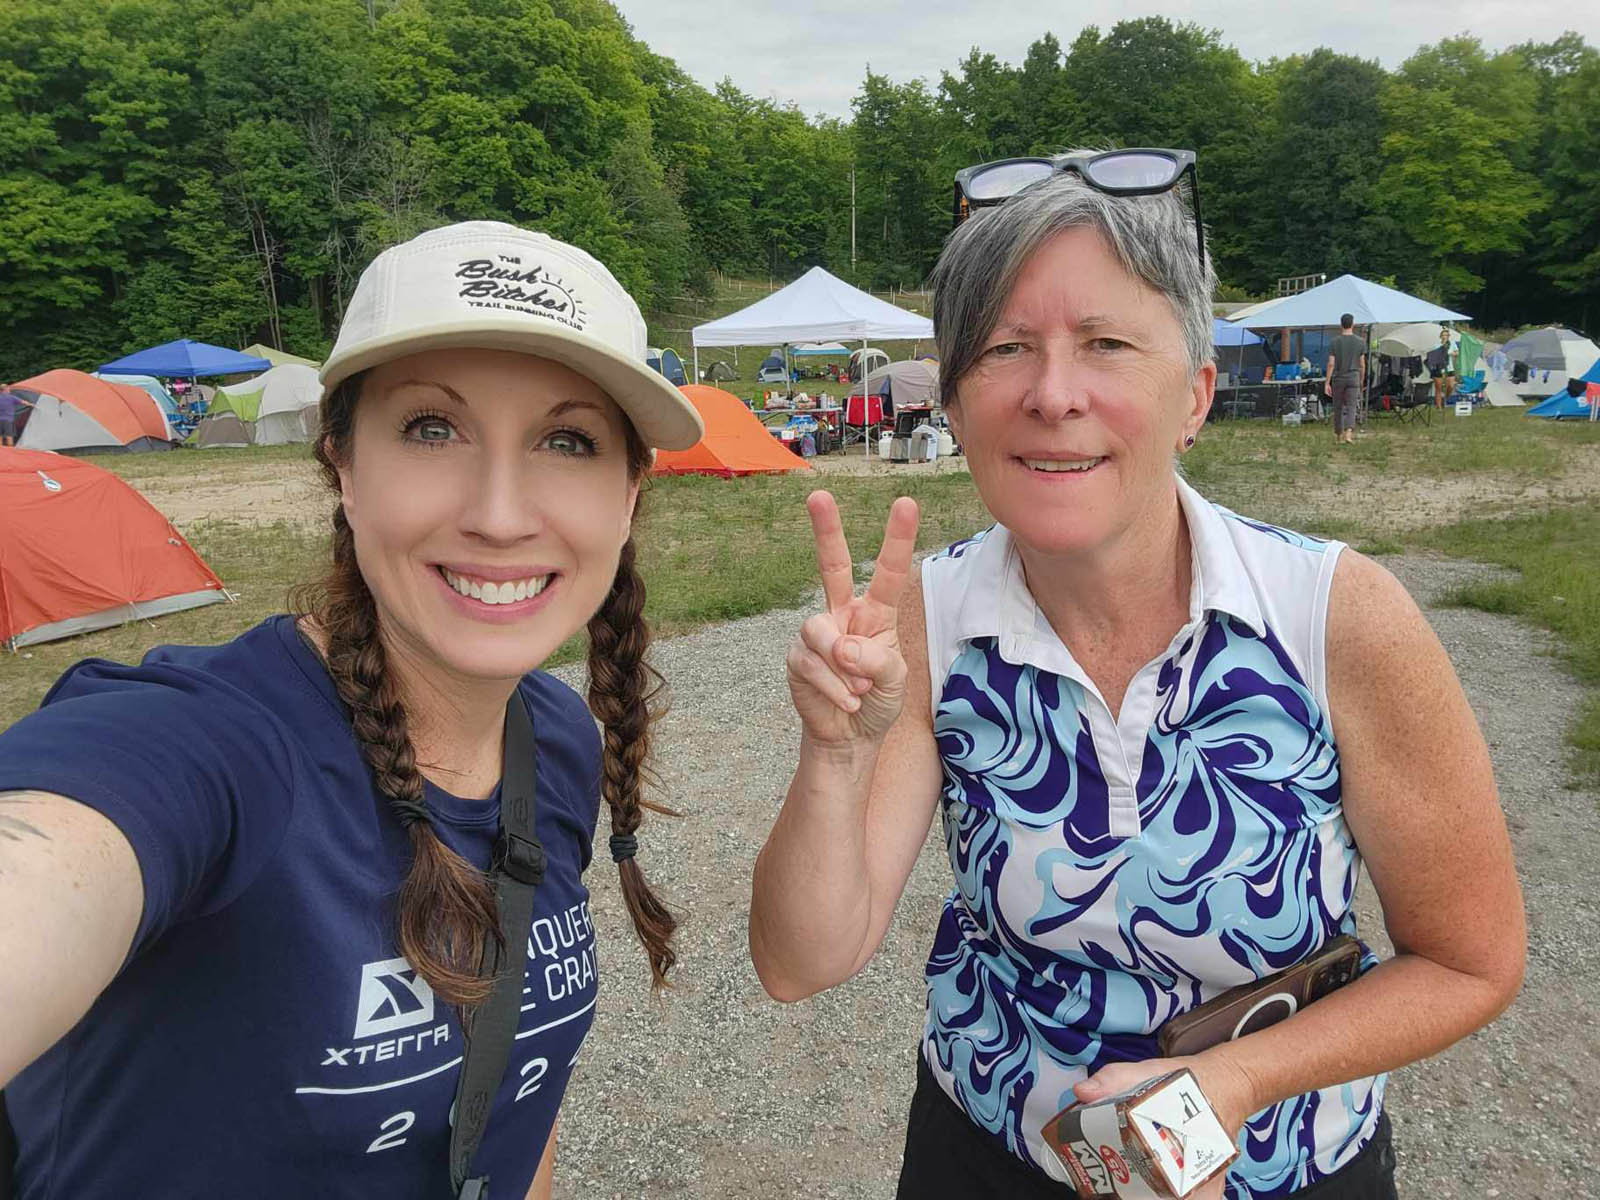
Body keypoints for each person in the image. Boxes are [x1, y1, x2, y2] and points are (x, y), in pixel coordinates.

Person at [750, 153, 1525, 1200]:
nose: (1052, 394)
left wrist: (1236, 1081)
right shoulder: (926, 623)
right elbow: (801, 962)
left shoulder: (1332, 617)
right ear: (956, 404)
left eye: (1106, 344)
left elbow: (1470, 961)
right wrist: (835, 754)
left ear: (1195, 394)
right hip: (988, 1156)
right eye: (1004, 349)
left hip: (1283, 1167)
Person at [0, 221, 703, 1198]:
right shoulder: (210, 748)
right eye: (432, 428)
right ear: (343, 463)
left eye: (567, 440)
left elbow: (510, 1103)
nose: (500, 515)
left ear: (628, 495)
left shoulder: (555, 739)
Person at [1324, 314, 1367, 445]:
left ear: (1340, 325)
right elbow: (1362, 364)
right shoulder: (1360, 342)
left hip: (1338, 378)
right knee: (1351, 406)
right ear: (1353, 324)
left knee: (1338, 407)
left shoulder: (1334, 342)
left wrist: (1327, 382)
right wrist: (1361, 380)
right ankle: (1349, 433)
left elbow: (1331, 363)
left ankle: (1339, 435)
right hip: (1353, 377)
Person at [1425, 328, 1457, 408]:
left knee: (1451, 386)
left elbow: (1457, 353)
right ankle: (1438, 406)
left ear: (1448, 336)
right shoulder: (1437, 345)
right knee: (1438, 388)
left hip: (1449, 368)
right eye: (1443, 335)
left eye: (1446, 335)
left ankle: (1445, 398)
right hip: (1439, 368)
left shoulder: (1452, 344)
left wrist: (1451, 353)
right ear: (1440, 336)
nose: (1444, 337)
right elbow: (1432, 356)